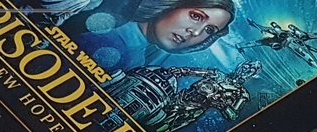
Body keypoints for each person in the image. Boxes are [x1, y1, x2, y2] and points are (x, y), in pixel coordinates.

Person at [78, 0, 236, 73]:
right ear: (174, 4)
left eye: (209, 30)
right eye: (196, 16)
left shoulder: (137, 64)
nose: (195, 32)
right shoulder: (102, 16)